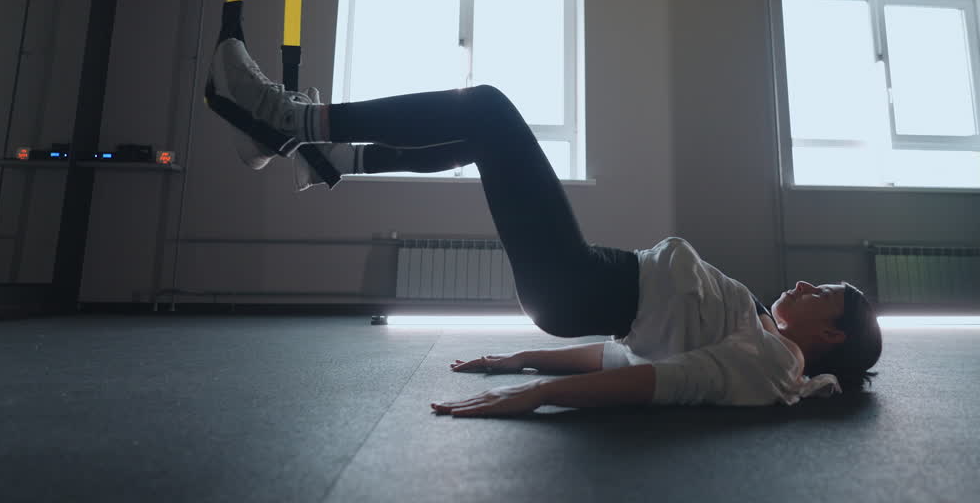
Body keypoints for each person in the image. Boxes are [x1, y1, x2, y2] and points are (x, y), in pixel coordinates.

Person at [209, 38, 882, 418]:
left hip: (581, 284)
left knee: (490, 111)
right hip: (575, 290)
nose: (803, 281)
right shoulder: (759, 333)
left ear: (830, 333)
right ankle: (334, 160)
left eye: (822, 290)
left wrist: (537, 395)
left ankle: (289, 121)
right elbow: (627, 356)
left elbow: (667, 384)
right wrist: (522, 357)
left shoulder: (776, 362)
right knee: (481, 130)